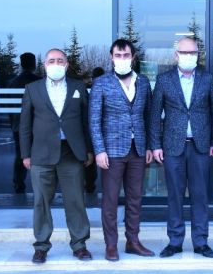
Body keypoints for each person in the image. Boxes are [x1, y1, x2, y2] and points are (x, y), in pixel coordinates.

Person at [19, 48, 93, 264]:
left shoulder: (78, 87)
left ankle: (79, 244)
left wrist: (89, 149)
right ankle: (41, 246)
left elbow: (86, 121)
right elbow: (24, 124)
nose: (56, 64)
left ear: (67, 64)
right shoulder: (32, 89)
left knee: (75, 201)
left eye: (60, 60)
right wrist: (25, 154)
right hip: (41, 154)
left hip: (72, 153)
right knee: (41, 202)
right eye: (52, 60)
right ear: (45, 65)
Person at [149, 37, 213, 259]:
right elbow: (155, 115)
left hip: (201, 147)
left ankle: (201, 242)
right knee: (175, 196)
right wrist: (155, 145)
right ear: (176, 55)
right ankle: (175, 242)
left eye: (193, 52)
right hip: (172, 147)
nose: (189, 56)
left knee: (200, 196)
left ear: (198, 55)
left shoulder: (207, 79)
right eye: (185, 52)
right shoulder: (164, 80)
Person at [89, 39, 155, 261]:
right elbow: (94, 120)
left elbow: (148, 116)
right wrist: (99, 150)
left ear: (133, 57)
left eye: (126, 55)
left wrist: (149, 146)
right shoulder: (101, 83)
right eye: (118, 55)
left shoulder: (143, 82)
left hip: (138, 149)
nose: (122, 59)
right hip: (112, 151)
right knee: (110, 200)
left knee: (135, 198)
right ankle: (111, 245)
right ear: (111, 57)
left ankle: (133, 241)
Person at [9, 52, 41, 194]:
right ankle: (40, 185)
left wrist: (13, 123)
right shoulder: (39, 81)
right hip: (37, 124)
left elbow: (8, 106)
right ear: (34, 64)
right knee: (40, 155)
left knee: (21, 154)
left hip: (18, 124)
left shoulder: (13, 82)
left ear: (21, 64)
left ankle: (18, 183)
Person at [83, 66, 105, 194]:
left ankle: (90, 185)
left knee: (90, 160)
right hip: (101, 131)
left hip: (91, 131)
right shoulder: (105, 90)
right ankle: (91, 185)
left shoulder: (88, 92)